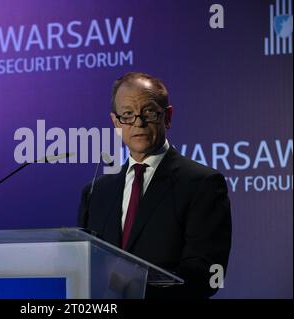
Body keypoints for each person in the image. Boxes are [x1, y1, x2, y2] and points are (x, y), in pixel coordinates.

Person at [78, 72, 232, 299]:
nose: (138, 122)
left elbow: (208, 275)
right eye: (127, 114)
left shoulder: (202, 184)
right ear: (116, 122)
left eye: (148, 112)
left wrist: (131, 284)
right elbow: (84, 264)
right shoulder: (96, 192)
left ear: (167, 117)